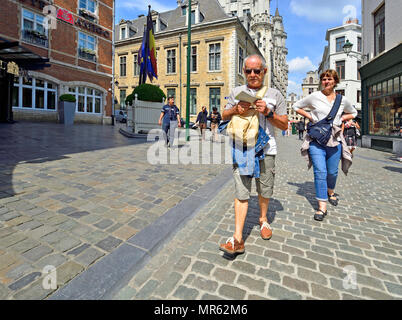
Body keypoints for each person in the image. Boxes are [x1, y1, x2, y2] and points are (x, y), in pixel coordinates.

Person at [219, 54, 288, 255]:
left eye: (256, 70)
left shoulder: (276, 95)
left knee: (264, 190)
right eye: (248, 70)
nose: (252, 74)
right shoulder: (236, 92)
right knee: (241, 192)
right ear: (243, 72)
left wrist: (268, 113)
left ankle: (263, 219)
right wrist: (235, 109)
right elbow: (222, 115)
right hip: (242, 148)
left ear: (264, 71)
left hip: (267, 149)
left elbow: (284, 124)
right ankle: (238, 238)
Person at [292, 69, 357, 221]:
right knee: (320, 172)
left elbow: (353, 113)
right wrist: (311, 116)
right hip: (317, 141)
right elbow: (296, 106)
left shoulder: (342, 100)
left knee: (332, 172)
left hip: (334, 140)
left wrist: (341, 118)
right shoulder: (315, 96)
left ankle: (330, 191)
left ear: (335, 81)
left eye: (329, 79)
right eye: (324, 79)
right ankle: (322, 206)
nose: (326, 82)